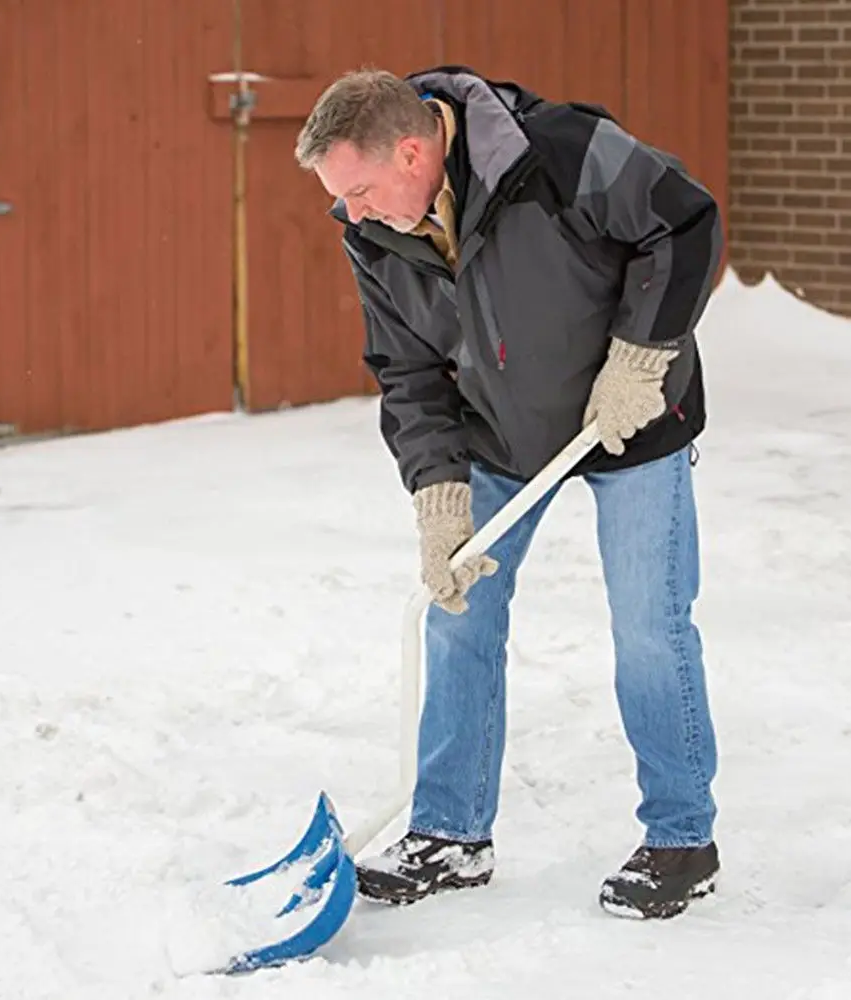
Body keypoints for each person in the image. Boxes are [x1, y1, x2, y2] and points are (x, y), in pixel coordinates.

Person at [294, 66, 723, 920]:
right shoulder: (377, 231)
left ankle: (682, 839)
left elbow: (683, 220)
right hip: (497, 435)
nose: (352, 212)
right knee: (458, 614)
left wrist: (643, 356)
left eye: (361, 191)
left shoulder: (559, 153)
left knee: (648, 629)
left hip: (627, 417)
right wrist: (439, 492)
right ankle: (450, 833)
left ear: (413, 151)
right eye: (341, 200)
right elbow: (407, 369)